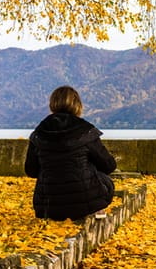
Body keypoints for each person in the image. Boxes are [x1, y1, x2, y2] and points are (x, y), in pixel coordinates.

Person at [24, 85, 117, 221]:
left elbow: (31, 170)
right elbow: (109, 166)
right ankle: (96, 209)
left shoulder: (39, 133)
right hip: (85, 203)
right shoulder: (85, 131)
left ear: (52, 104)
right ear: (77, 105)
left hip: (48, 205)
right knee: (105, 181)